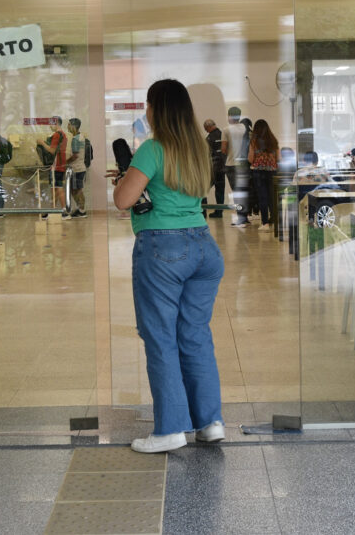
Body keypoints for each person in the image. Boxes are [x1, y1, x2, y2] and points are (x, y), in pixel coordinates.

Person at [110, 79, 226, 453]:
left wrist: (125, 179)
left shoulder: (152, 149)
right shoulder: (195, 149)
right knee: (194, 335)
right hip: (204, 248)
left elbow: (123, 200)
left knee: (160, 337)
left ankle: (171, 430)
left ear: (157, 109)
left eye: (148, 104)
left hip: (163, 249)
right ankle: (210, 422)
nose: (145, 110)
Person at [220, 107, 250, 228]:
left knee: (236, 193)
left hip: (231, 164)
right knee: (243, 191)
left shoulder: (226, 130)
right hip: (244, 164)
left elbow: (223, 149)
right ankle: (245, 216)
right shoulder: (245, 128)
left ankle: (240, 218)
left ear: (230, 116)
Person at [248, 119, 279, 232]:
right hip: (272, 172)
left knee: (262, 197)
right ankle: (275, 222)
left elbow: (251, 159)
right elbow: (279, 158)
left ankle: (265, 223)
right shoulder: (273, 140)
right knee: (272, 197)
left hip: (258, 172)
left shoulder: (254, 141)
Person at [37, 116, 69, 217]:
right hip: (60, 164)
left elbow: (52, 150)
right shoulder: (63, 135)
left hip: (56, 165)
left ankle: (65, 212)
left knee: (58, 188)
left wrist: (42, 143)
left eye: (51, 124)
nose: (50, 126)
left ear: (56, 124)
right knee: (54, 189)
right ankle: (53, 210)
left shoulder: (56, 135)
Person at [66, 117, 88, 218]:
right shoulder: (81, 137)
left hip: (77, 169)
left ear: (73, 126)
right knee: (75, 190)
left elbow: (75, 156)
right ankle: (81, 209)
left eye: (69, 124)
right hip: (79, 168)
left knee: (77, 190)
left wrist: (64, 162)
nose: (67, 126)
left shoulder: (75, 139)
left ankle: (82, 211)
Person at [203, 119, 225, 217]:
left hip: (212, 168)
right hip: (222, 168)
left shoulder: (209, 138)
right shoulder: (223, 135)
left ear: (208, 127)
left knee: (202, 189)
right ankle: (219, 212)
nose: (206, 131)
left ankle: (203, 212)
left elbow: (205, 153)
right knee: (220, 190)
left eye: (206, 129)